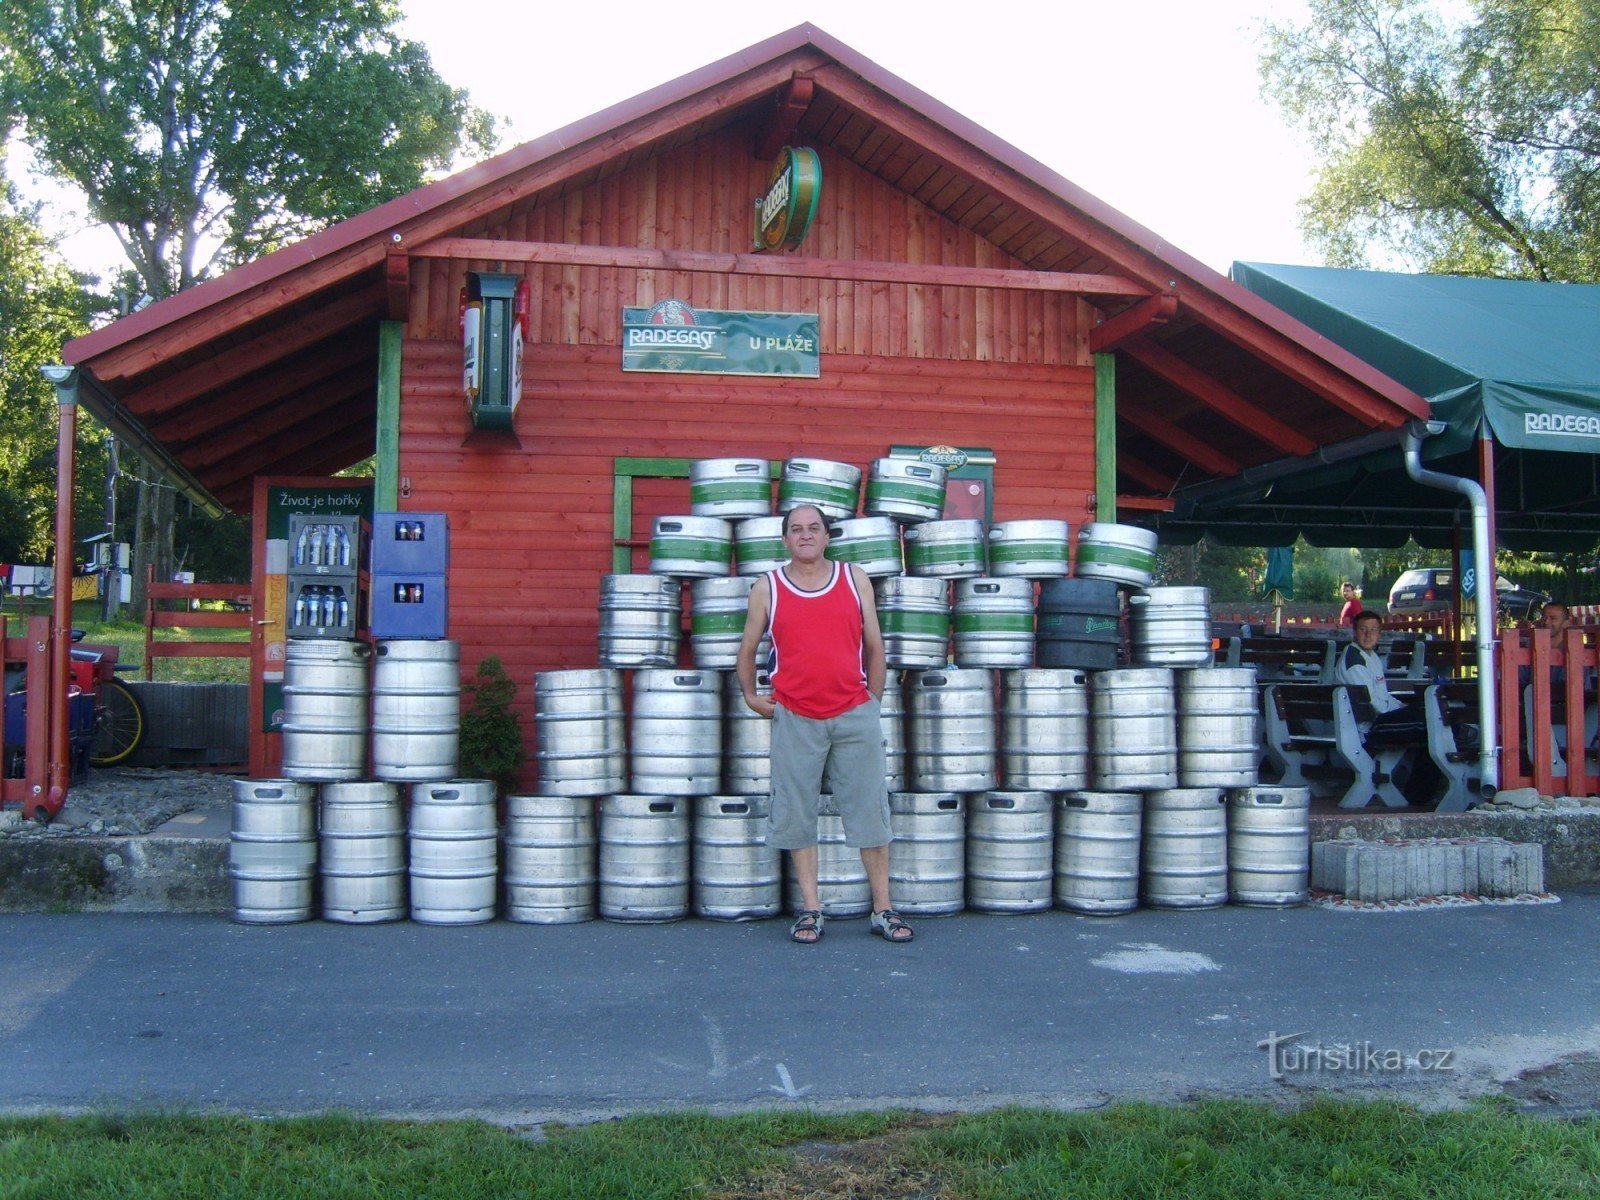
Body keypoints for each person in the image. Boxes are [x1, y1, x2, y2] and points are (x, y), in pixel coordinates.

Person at [735, 504, 912, 945]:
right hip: (795, 717)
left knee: (870, 809)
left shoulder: (854, 579)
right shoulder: (767, 587)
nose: (806, 535)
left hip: (854, 713)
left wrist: (872, 701)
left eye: (814, 528)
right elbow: (747, 648)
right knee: (797, 814)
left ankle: (883, 908)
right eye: (796, 529)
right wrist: (752, 697)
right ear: (785, 539)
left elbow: (874, 645)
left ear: (827, 536)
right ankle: (811, 910)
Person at [1335, 610, 1439, 804]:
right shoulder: (1354, 663)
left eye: (1373, 630)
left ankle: (1421, 792)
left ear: (1380, 634)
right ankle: (1419, 794)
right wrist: (1404, 711)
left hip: (1378, 719)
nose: (1368, 635)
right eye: (1363, 630)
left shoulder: (1370, 656)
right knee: (1432, 727)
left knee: (1431, 718)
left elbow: (1382, 697)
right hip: (1367, 728)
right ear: (1354, 632)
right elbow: (1376, 707)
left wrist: (1402, 706)